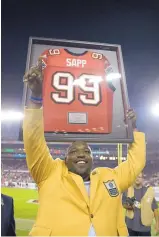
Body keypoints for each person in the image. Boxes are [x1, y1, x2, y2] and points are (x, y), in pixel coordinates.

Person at [23, 58, 146, 236]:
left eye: (86, 151)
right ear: (65, 159)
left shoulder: (109, 177)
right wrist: (36, 98)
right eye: (74, 151)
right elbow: (33, 141)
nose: (81, 154)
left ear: (92, 158)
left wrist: (133, 128)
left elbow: (137, 161)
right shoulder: (49, 173)